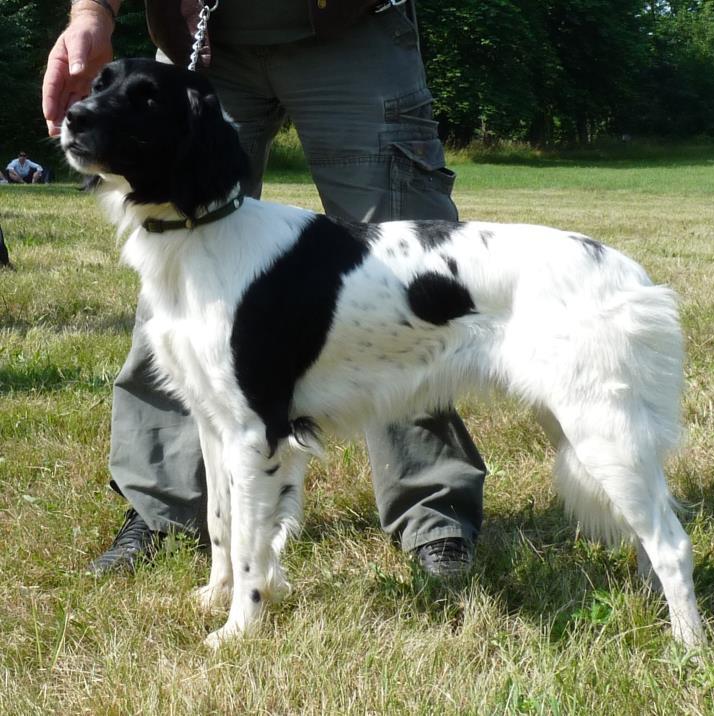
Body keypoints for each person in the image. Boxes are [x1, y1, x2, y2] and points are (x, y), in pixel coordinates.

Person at [43, 0, 486, 578]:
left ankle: (434, 515)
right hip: (196, 29)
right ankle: (161, 512)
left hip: (350, 25)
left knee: (410, 289)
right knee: (178, 305)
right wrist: (92, 10)